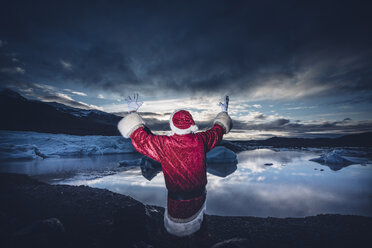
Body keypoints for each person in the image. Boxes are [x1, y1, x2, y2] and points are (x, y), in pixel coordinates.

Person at [117, 94, 232, 246]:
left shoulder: (164, 145)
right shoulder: (201, 140)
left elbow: (141, 139)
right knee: (200, 224)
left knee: (177, 234)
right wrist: (224, 111)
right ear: (192, 124)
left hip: (177, 200)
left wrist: (133, 113)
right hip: (199, 195)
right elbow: (218, 130)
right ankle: (203, 242)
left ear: (172, 125)